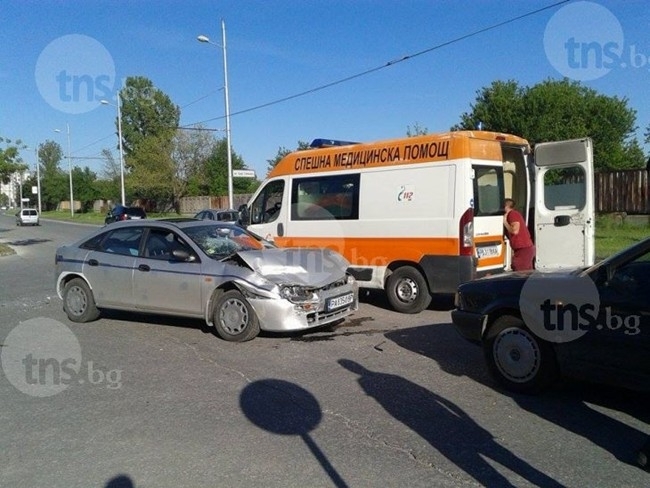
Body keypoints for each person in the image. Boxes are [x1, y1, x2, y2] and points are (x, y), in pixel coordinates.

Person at [503, 198, 535, 271]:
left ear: (506, 206)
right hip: (524, 248)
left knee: (519, 272)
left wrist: (505, 222)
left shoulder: (512, 214)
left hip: (523, 248)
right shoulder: (514, 214)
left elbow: (515, 231)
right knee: (525, 272)